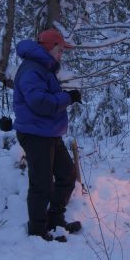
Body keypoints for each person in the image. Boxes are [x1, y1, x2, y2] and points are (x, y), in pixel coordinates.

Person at [13, 28, 83, 242]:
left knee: (67, 175)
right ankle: (37, 231)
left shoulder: (43, 69)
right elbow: (39, 102)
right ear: (49, 47)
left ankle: (55, 220)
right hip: (35, 134)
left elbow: (45, 97)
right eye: (60, 50)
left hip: (48, 133)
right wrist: (67, 98)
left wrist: (64, 97)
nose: (61, 54)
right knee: (41, 184)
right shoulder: (32, 70)